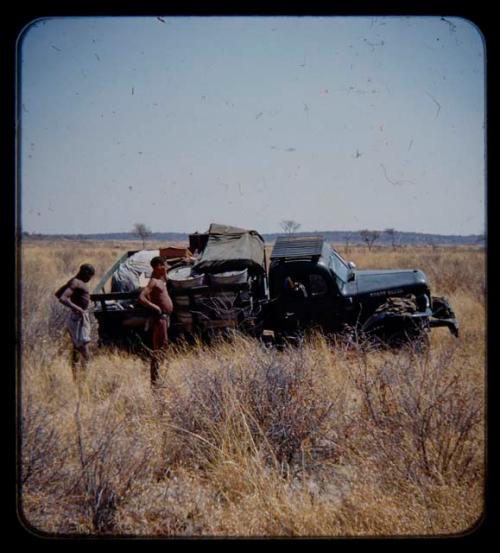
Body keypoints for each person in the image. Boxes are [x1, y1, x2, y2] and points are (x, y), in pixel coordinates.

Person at [138, 256, 174, 386]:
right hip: (159, 319)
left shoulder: (161, 279)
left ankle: (158, 377)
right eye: (163, 265)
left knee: (163, 346)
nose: (166, 268)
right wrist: (156, 307)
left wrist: (165, 272)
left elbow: (168, 278)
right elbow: (141, 297)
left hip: (164, 318)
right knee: (158, 348)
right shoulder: (153, 281)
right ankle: (154, 380)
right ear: (157, 266)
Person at [55, 263, 96, 376]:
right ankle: (85, 378)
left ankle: (76, 376)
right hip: (78, 319)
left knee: (77, 348)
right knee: (85, 349)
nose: (90, 279)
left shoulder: (74, 281)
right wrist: (79, 309)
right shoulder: (76, 282)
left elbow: (58, 293)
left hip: (78, 317)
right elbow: (63, 298)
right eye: (90, 276)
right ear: (86, 273)